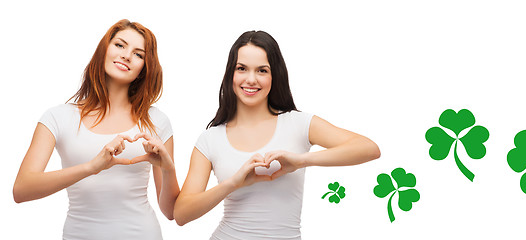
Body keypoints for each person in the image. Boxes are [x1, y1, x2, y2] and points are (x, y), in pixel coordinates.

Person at [174, 30, 381, 239]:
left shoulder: (298, 123)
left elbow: (368, 149)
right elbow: (181, 214)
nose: (251, 79)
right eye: (242, 68)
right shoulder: (211, 139)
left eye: (262, 70)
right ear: (231, 74)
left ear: (275, 75)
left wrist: (300, 161)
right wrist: (233, 183)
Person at [13, 19, 179, 240]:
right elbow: (21, 190)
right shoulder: (58, 118)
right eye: (120, 45)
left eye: (139, 54)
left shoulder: (156, 121)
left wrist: (168, 169)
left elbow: (170, 211)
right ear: (104, 50)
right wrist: (92, 167)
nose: (127, 55)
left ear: (143, 69)